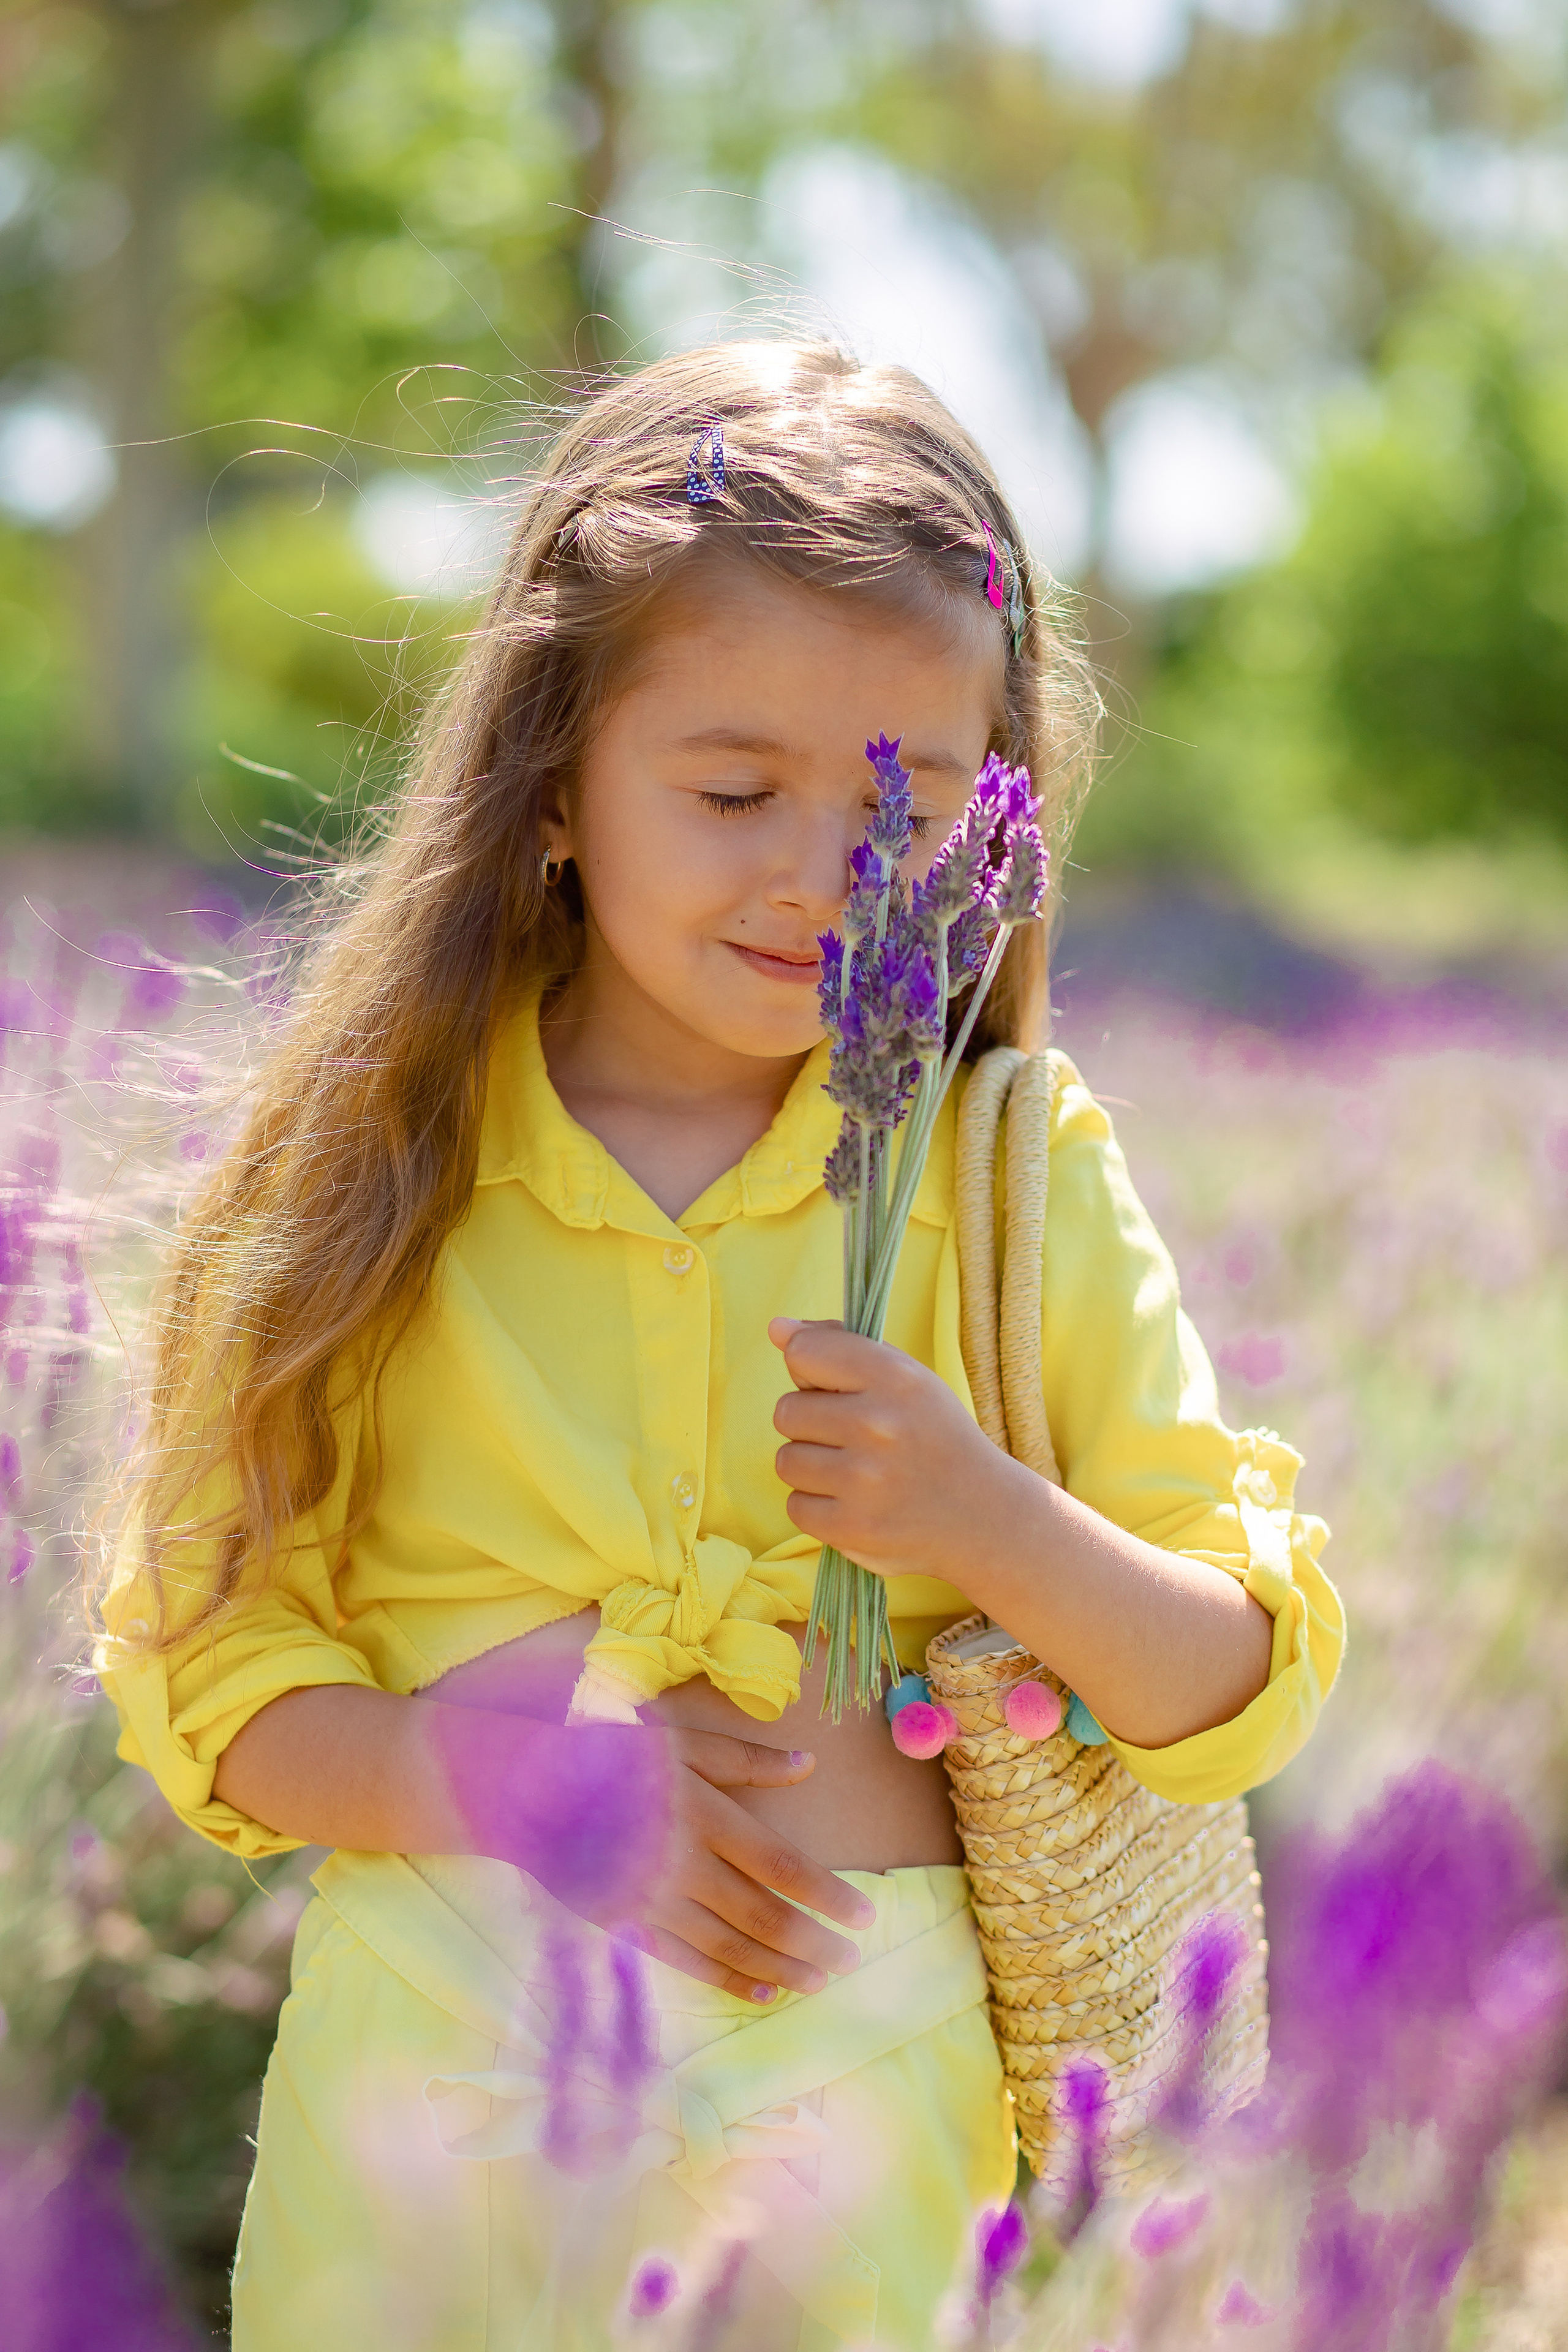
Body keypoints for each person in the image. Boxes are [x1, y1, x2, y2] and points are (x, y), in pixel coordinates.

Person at [94, 341, 1343, 2352]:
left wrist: (987, 1517)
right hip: (436, 2063)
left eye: (911, 801)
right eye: (734, 788)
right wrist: (500, 1783)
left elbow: (1240, 1680)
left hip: (865, 2077)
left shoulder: (1012, 1177)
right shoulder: (369, 1168)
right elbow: (209, 1677)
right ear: (557, 785)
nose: (825, 871)